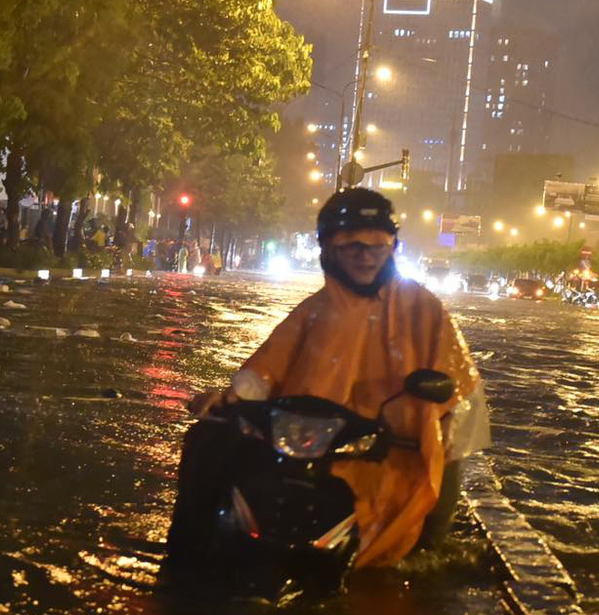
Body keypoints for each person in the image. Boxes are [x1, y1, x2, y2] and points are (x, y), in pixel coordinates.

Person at [168, 189, 482, 570]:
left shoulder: (425, 310)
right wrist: (229, 398)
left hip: (393, 457)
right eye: (351, 246)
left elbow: (459, 395)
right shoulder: (313, 312)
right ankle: (187, 572)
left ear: (391, 247)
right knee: (206, 441)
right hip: (311, 451)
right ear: (328, 249)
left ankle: (425, 552)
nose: (365, 256)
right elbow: (267, 369)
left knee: (421, 545)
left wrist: (437, 426)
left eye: (376, 246)